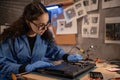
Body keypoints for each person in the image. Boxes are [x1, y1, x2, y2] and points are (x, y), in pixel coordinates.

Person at [0, 1, 83, 80]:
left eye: (46, 24)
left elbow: (54, 51)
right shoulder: (11, 37)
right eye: (41, 25)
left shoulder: (43, 37)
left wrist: (66, 56)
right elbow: (3, 64)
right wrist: (26, 67)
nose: (45, 29)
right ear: (28, 22)